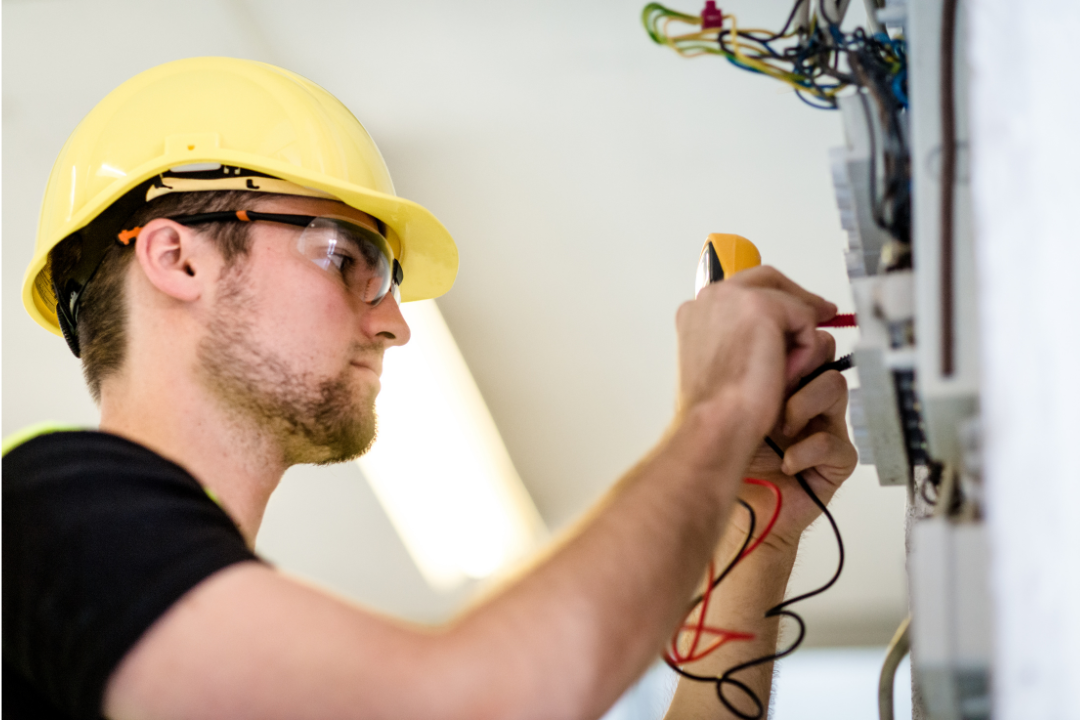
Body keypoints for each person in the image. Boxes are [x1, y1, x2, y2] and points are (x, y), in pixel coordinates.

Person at [3, 57, 857, 720]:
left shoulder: (245, 668)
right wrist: (713, 414)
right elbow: (476, 699)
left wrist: (753, 539)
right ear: (178, 257)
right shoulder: (41, 516)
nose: (394, 323)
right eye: (347, 259)